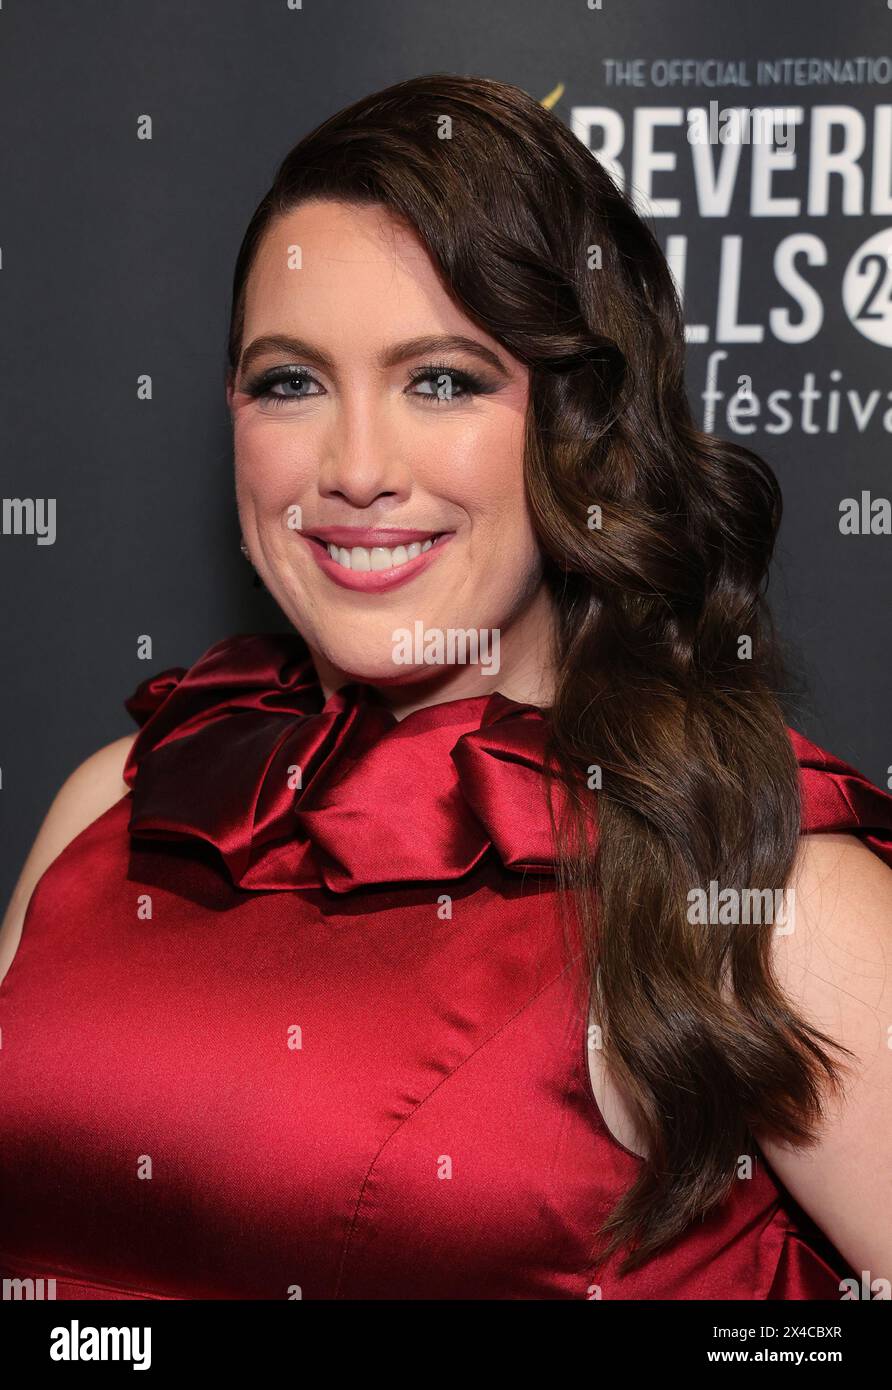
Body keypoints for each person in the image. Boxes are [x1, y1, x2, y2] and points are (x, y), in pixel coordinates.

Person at [1, 73, 890, 1301]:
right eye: (291, 381)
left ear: (578, 425)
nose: (357, 468)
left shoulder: (750, 881)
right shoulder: (119, 805)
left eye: (443, 380)